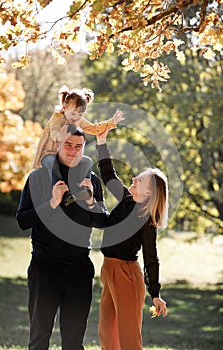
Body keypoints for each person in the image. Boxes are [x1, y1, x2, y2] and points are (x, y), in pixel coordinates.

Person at [16, 124, 108, 350]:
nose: (73, 151)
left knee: (74, 341)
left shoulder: (91, 179)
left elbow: (103, 221)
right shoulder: (38, 177)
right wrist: (52, 204)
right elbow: (22, 221)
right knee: (39, 338)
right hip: (45, 268)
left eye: (79, 146)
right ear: (58, 144)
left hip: (79, 269)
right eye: (68, 145)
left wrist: (90, 202)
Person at [95, 126, 168, 350]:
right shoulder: (127, 198)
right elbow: (108, 175)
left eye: (140, 180)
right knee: (107, 335)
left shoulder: (146, 220)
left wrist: (155, 293)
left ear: (148, 194)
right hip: (108, 270)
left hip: (127, 276)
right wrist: (101, 142)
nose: (134, 178)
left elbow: (151, 257)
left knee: (129, 340)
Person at [32, 85, 124, 205]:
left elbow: (94, 128)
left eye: (80, 115)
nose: (76, 118)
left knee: (87, 161)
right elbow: (54, 132)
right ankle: (64, 192)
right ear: (64, 107)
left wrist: (112, 122)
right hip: (49, 153)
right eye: (73, 114)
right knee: (51, 162)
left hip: (67, 156)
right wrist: (61, 137)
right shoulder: (57, 117)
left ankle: (84, 188)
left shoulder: (78, 120)